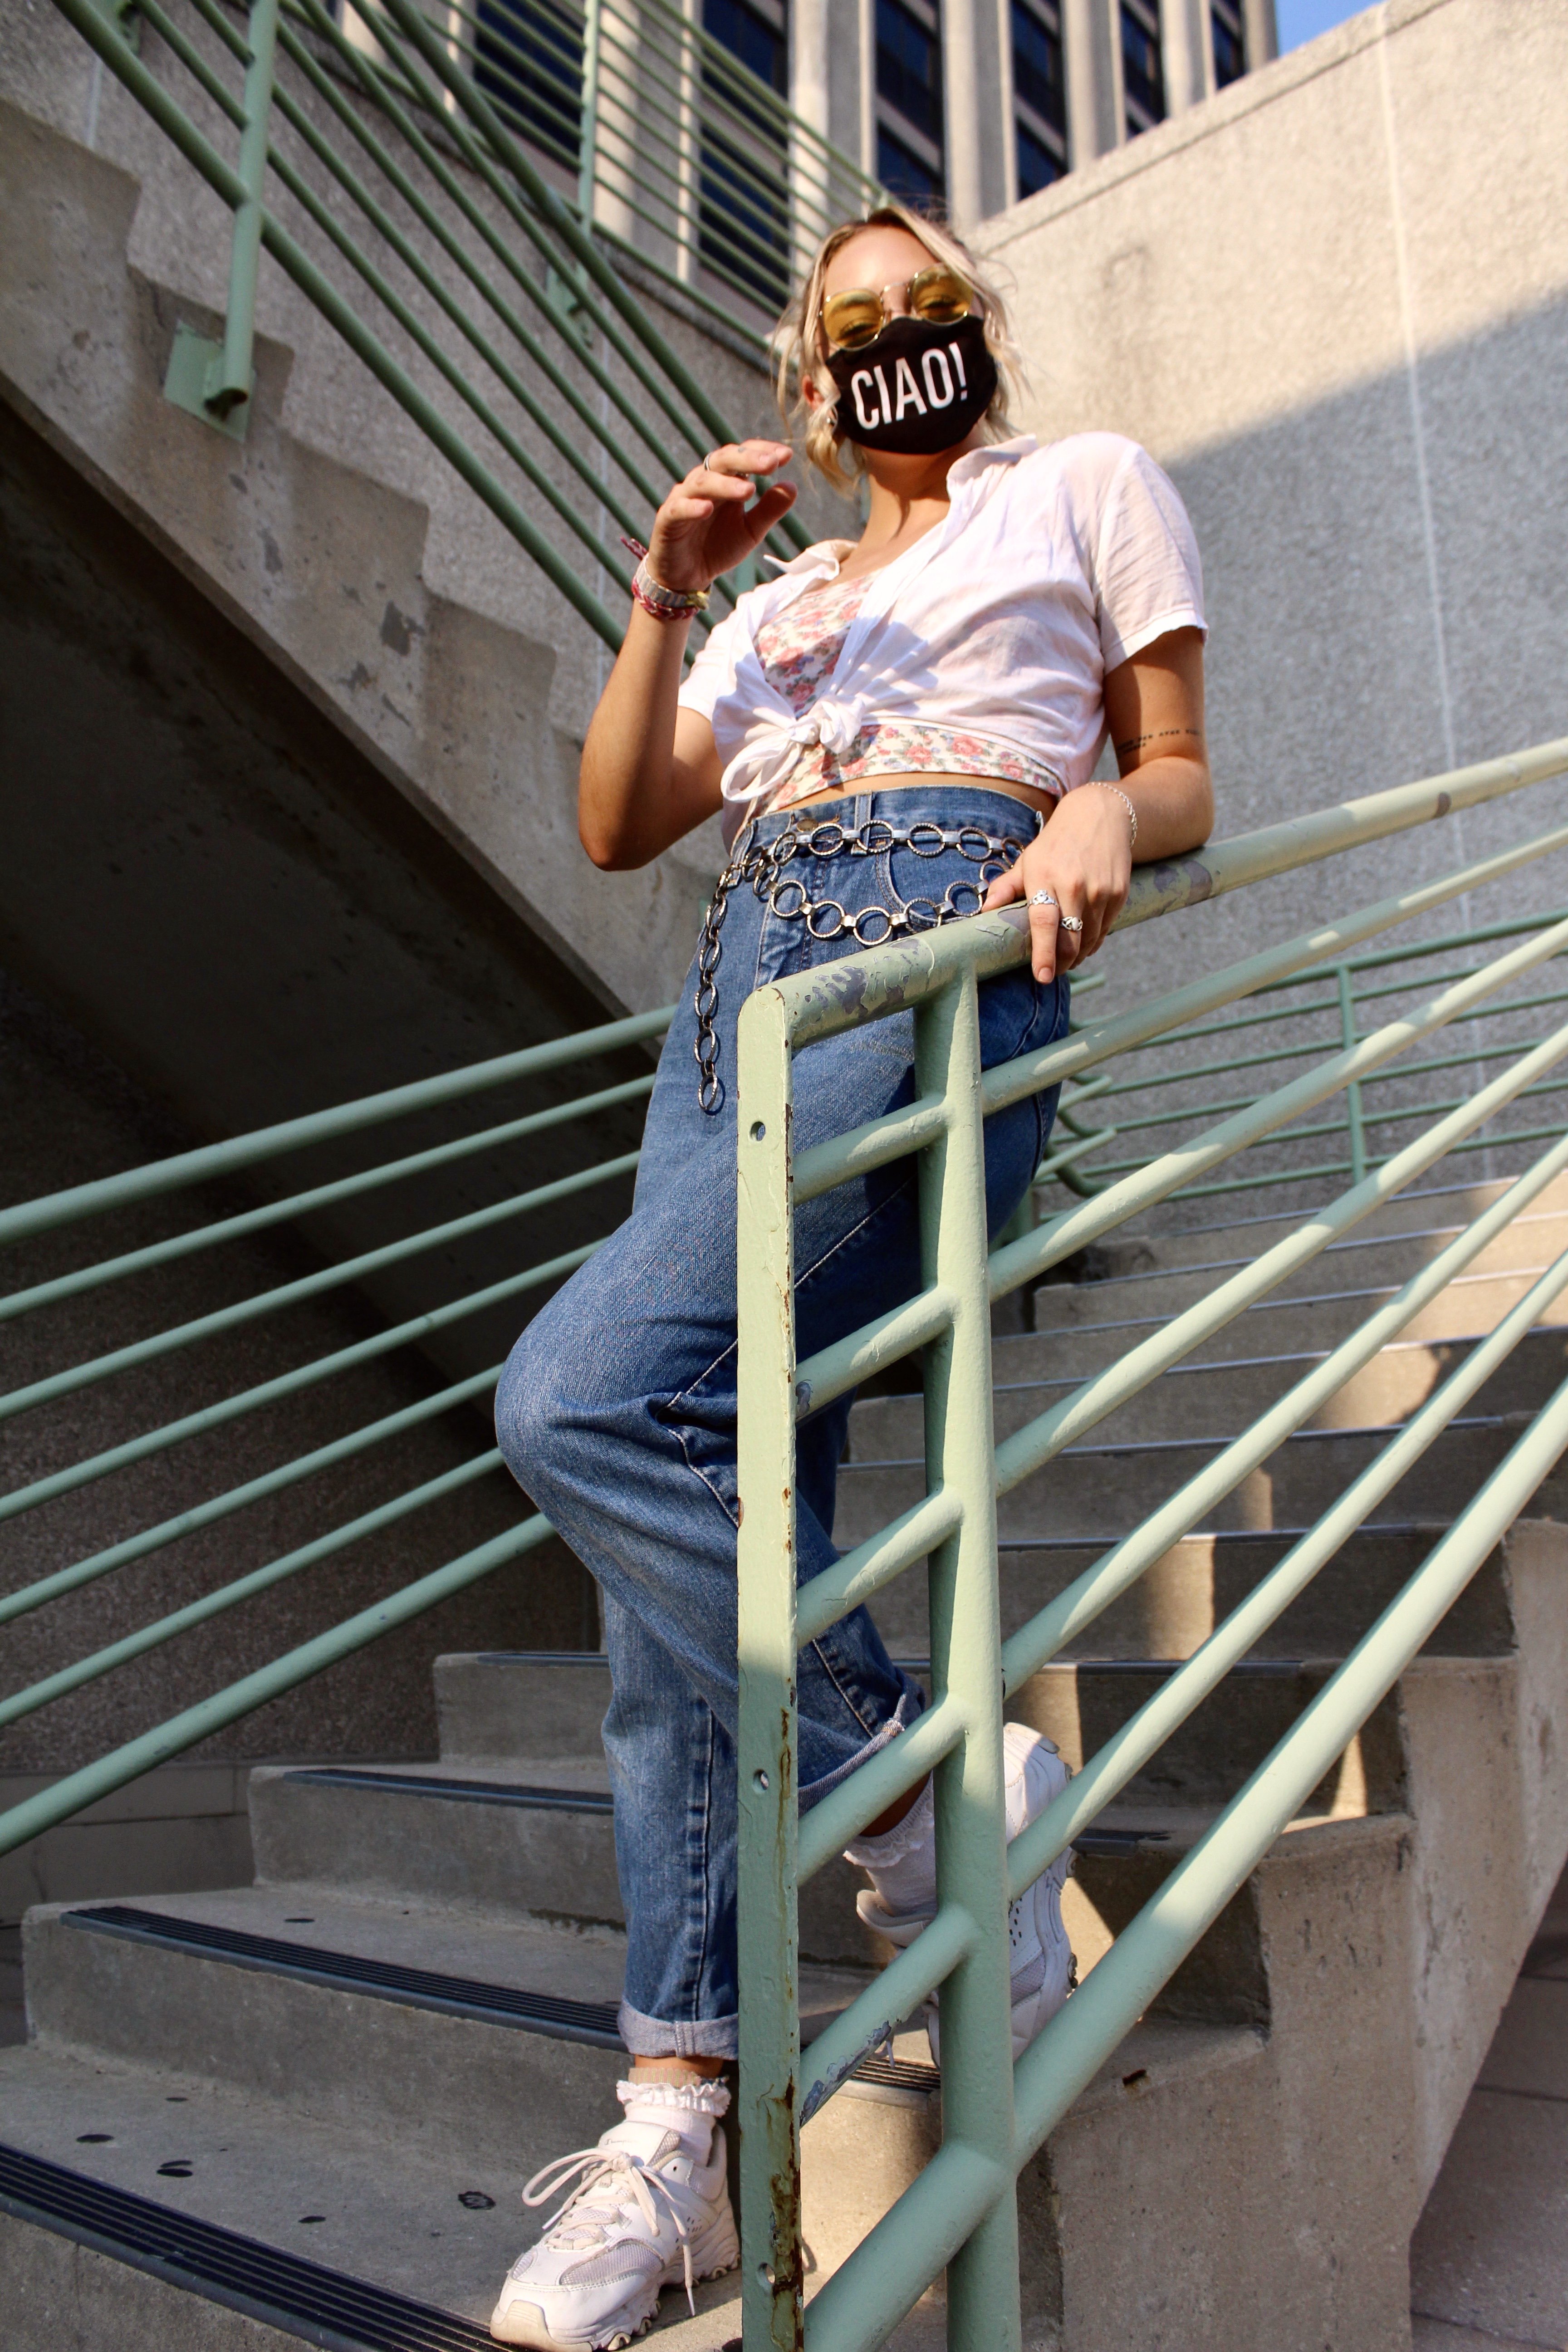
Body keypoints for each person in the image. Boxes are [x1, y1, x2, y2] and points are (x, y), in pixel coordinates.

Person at [488, 201, 1214, 2352]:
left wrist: (1106, 812)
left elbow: (1177, 763)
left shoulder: (1083, 485)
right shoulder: (784, 595)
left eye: (932, 308)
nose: (900, 337)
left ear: (974, 341)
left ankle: (927, 1785)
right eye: (855, 323)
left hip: (933, 957)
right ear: (809, 388)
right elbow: (624, 824)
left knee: (578, 1401)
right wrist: (657, 596)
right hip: (729, 1007)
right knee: (675, 1577)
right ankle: (674, 2124)